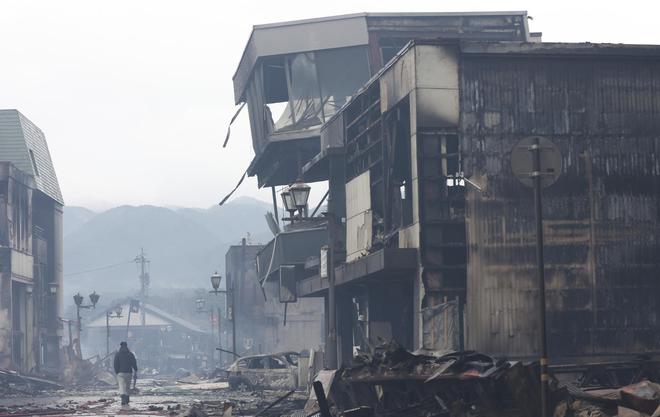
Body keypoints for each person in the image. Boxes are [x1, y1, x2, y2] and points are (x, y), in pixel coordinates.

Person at [113, 341, 137, 406]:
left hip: (120, 373)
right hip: (129, 373)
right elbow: (134, 363)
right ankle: (127, 398)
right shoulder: (130, 354)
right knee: (127, 386)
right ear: (126, 346)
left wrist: (117, 372)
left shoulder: (117, 354)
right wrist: (135, 370)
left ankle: (123, 397)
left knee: (121, 385)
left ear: (120, 346)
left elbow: (115, 364)